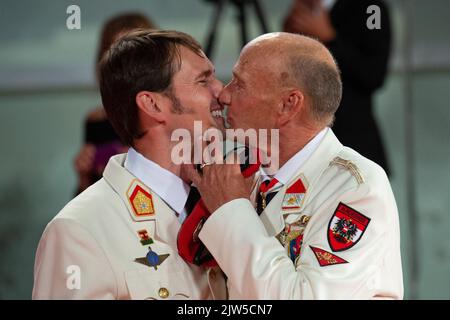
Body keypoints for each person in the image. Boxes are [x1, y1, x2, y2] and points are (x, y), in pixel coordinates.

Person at [182, 32, 403, 299]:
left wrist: (231, 210)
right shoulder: (245, 176)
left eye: (239, 84)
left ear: (289, 104)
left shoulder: (357, 187)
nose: (224, 95)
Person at [32, 30, 226, 299]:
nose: (222, 92)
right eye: (203, 80)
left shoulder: (227, 202)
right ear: (152, 104)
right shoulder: (79, 230)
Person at [283, 0, 392, 174]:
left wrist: (329, 38)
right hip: (302, 145)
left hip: (352, 142)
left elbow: (374, 74)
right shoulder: (303, 8)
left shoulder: (372, 8)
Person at [74, 13, 155, 194]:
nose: (125, 65)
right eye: (115, 54)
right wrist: (84, 176)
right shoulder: (96, 121)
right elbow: (83, 205)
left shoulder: (168, 115)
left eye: (134, 55)